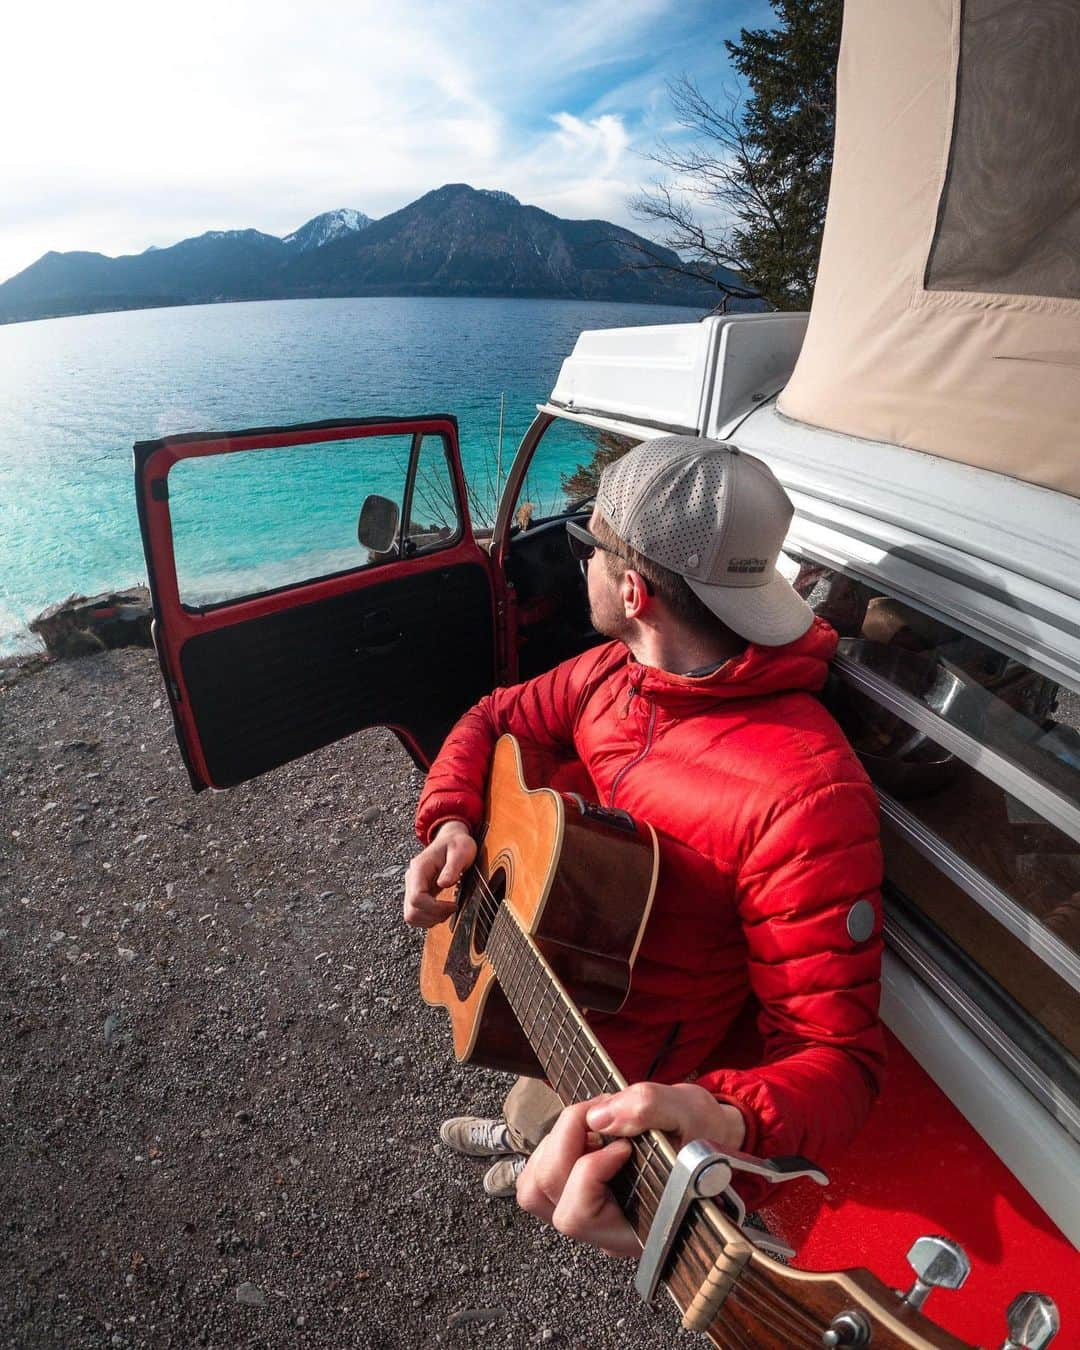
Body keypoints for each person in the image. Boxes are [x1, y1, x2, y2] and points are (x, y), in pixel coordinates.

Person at [403, 435, 885, 1257]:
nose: (576, 561)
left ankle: (532, 1137)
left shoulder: (806, 795)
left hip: (635, 1060)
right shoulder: (610, 674)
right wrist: (450, 820)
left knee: (564, 1114)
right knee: (533, 1098)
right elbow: (491, 717)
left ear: (630, 589)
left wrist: (726, 1117)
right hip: (557, 969)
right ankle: (521, 1133)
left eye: (585, 547)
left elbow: (835, 1060)